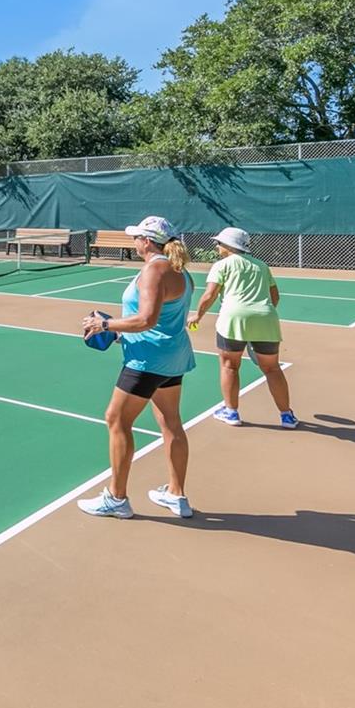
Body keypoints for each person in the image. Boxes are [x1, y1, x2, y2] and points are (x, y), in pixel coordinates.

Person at [76, 215, 197, 520]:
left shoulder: (155, 268)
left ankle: (116, 499)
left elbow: (146, 320)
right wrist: (117, 334)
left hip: (147, 361)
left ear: (146, 241)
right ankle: (176, 495)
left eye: (136, 237)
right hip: (172, 358)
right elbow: (161, 322)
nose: (133, 241)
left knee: (116, 419)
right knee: (171, 423)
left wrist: (104, 323)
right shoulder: (181, 271)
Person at [189, 227, 296, 429]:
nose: (217, 245)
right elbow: (275, 297)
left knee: (229, 366)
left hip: (233, 320)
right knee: (272, 369)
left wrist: (197, 315)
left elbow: (209, 295)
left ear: (229, 245)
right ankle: (286, 416)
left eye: (219, 243)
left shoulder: (221, 265)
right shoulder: (262, 266)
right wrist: (260, 315)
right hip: (266, 320)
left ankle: (231, 412)